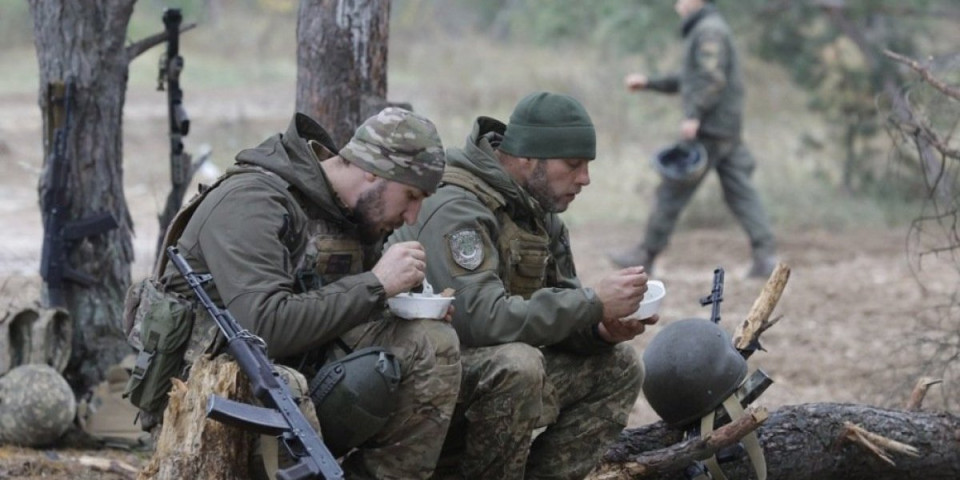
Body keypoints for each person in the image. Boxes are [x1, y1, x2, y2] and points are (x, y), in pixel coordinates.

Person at [153, 108, 460, 479]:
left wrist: (403, 307)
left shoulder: (348, 212)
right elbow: (264, 328)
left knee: (431, 341)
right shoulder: (251, 201)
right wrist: (376, 284)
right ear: (372, 170)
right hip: (209, 391)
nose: (412, 216)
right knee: (290, 384)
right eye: (410, 196)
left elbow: (331, 303)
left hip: (299, 369)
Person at [389, 91, 654, 479]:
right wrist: (593, 302)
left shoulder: (538, 214)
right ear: (528, 157)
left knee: (619, 366)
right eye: (573, 164)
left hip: (486, 376)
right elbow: (481, 321)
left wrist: (600, 330)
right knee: (519, 365)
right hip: (422, 383)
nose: (585, 179)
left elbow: (561, 312)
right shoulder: (457, 205)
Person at [609, 0, 777, 278]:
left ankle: (645, 254)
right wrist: (650, 83)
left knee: (672, 190)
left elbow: (711, 78)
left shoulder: (708, 31)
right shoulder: (708, 28)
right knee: (741, 192)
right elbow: (690, 77)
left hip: (707, 131)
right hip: (724, 128)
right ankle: (765, 255)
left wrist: (695, 115)